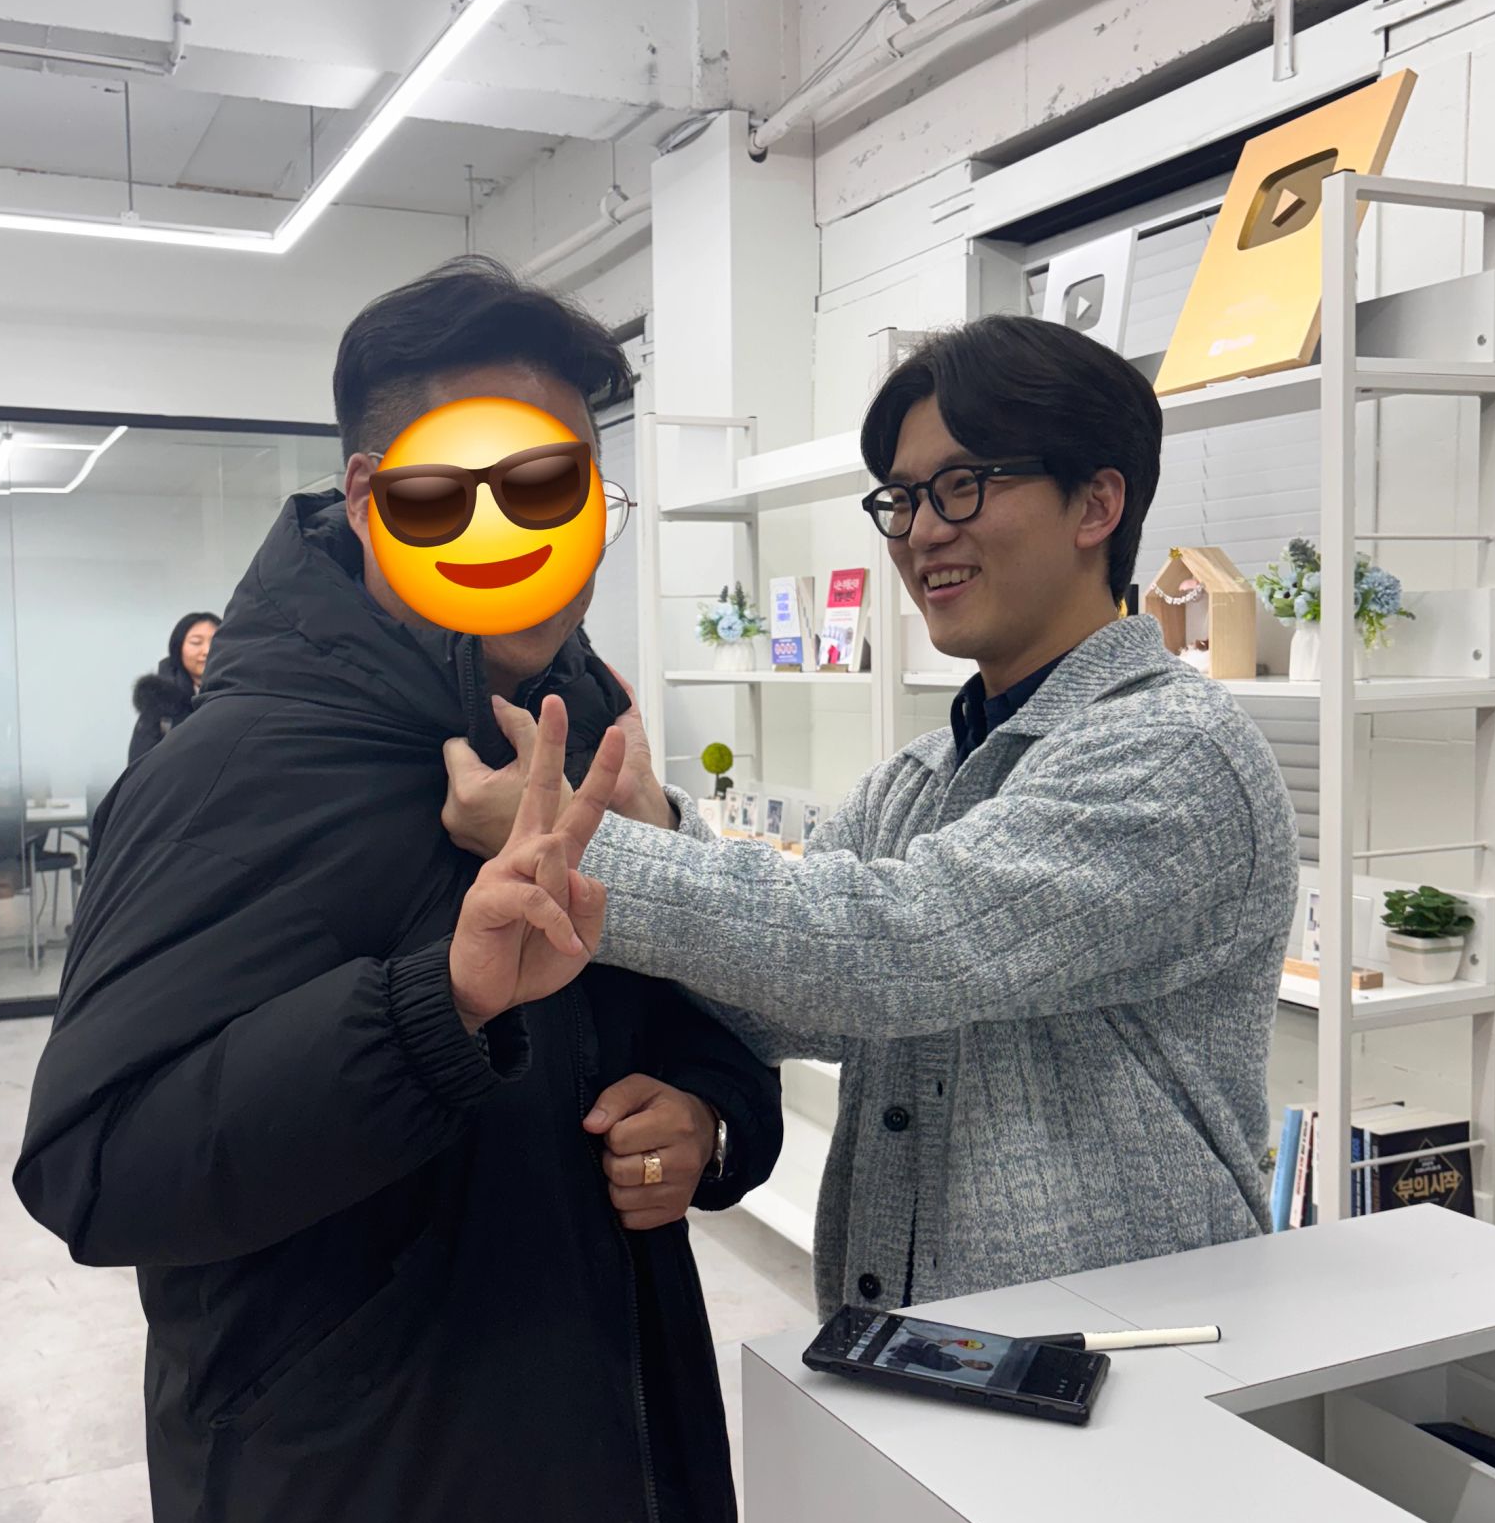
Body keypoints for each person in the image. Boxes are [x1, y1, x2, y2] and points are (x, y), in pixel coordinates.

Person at [13, 257, 782, 1523]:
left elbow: (692, 1016)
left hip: (552, 1494)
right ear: (372, 497)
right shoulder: (242, 765)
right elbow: (97, 1160)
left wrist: (706, 1113)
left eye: (558, 485)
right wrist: (440, 1003)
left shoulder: (586, 729)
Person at [447, 313, 1300, 1322]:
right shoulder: (924, 777)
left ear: (1096, 503)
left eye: (963, 486)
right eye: (902, 499)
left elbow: (904, 948)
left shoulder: (1175, 748)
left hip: (1130, 1350)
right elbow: (796, 1000)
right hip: (919, 1341)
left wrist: (572, 849)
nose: (922, 532)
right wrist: (662, 829)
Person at [128, 609, 220, 764]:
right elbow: (140, 766)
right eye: (196, 642)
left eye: (215, 642)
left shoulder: (241, 693)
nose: (207, 651)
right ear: (178, 648)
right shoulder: (159, 700)